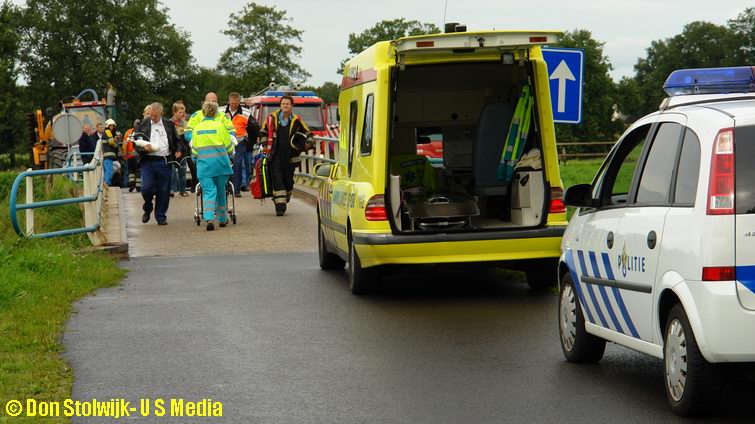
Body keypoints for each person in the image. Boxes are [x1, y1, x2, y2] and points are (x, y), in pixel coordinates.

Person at [258, 95, 314, 216]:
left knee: (288, 181)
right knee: (278, 179)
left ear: (292, 106)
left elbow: (308, 133)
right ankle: (280, 207)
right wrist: (264, 144)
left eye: (287, 104)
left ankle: (284, 197)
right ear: (280, 105)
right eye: (283, 103)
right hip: (274, 154)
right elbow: (263, 131)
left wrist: (308, 144)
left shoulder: (297, 119)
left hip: (290, 156)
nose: (285, 106)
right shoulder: (271, 118)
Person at [187, 101, 234, 231]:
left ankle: (209, 218)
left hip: (204, 167)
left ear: (203, 113)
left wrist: (196, 158)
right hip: (221, 165)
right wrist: (229, 153)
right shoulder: (220, 127)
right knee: (221, 191)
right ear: (216, 113)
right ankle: (222, 219)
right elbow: (229, 147)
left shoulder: (197, 129)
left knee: (208, 191)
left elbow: (194, 150)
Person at [135, 102, 182, 225]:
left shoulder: (169, 124)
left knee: (163, 190)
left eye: (155, 115)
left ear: (161, 113)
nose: (152, 117)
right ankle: (148, 207)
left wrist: (178, 150)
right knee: (147, 188)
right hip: (147, 161)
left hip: (164, 160)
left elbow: (177, 140)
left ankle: (160, 216)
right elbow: (136, 143)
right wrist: (144, 148)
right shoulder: (142, 125)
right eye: (151, 115)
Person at [225, 92, 260, 197]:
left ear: (239, 102)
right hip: (225, 143)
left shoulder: (246, 112)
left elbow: (255, 127)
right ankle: (226, 187)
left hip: (240, 143)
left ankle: (236, 190)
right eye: (232, 103)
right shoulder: (221, 111)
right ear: (229, 102)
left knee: (238, 165)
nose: (234, 105)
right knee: (225, 164)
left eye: (236, 103)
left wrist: (251, 142)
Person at [170, 101, 190, 197]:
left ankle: (182, 190)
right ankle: (172, 189)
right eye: (180, 112)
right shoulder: (169, 123)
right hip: (172, 151)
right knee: (172, 171)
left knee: (182, 171)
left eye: (183, 112)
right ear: (174, 112)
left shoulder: (186, 124)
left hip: (183, 151)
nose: (182, 114)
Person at [122, 119, 141, 192]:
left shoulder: (128, 132)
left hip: (130, 155)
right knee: (138, 170)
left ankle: (131, 184)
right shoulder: (141, 131)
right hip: (138, 154)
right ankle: (138, 187)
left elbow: (125, 144)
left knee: (131, 171)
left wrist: (124, 154)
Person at [102, 119, 120, 186]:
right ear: (107, 126)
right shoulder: (107, 131)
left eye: (112, 125)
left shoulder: (109, 132)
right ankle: (106, 185)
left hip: (108, 156)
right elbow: (111, 142)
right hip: (108, 155)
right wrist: (116, 145)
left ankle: (107, 185)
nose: (112, 127)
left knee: (108, 171)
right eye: (110, 125)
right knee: (109, 171)